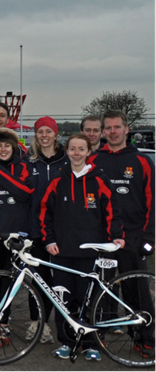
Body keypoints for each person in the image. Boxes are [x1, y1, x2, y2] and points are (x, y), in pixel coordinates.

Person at [41, 133, 124, 362]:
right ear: (66, 152)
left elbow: (112, 211)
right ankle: (67, 342)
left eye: (81, 149)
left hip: (91, 253)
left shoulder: (100, 179)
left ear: (89, 152)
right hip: (62, 252)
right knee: (64, 301)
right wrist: (49, 240)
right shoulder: (57, 180)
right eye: (72, 149)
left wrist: (116, 236)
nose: (76, 153)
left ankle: (91, 344)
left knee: (89, 301)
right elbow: (44, 212)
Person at [88, 111, 155, 358]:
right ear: (103, 132)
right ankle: (95, 338)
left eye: (118, 127)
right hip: (101, 238)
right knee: (98, 289)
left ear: (126, 129)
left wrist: (149, 238)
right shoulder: (93, 159)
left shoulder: (143, 161)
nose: (113, 131)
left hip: (133, 237)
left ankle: (145, 338)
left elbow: (153, 202)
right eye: (109, 128)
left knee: (137, 291)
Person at [0, 128, 34, 347]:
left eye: (7, 145)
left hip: (14, 236)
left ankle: (2, 321)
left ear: (13, 147)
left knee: (8, 281)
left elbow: (24, 192)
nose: (3, 149)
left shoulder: (22, 167)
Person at [24, 116, 66, 344]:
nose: (44, 136)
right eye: (40, 132)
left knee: (62, 281)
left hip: (63, 232)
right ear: (36, 135)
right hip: (35, 231)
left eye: (48, 131)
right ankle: (38, 324)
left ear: (56, 135)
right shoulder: (27, 161)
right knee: (38, 280)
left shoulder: (68, 161)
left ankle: (65, 324)